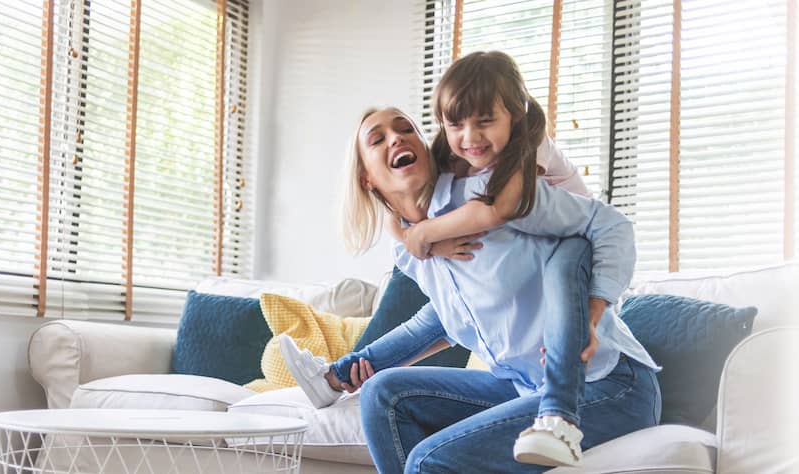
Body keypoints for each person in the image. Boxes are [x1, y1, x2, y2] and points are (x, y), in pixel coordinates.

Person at [280, 51, 661, 472]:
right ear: (367, 177)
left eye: (405, 129)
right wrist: (354, 368)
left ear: (426, 148)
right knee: (383, 394)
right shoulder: (410, 251)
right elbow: (442, 319)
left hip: (608, 384)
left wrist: (591, 314)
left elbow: (612, 226)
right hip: (525, 387)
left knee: (427, 461)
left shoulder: (495, 195)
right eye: (378, 138)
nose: (396, 139)